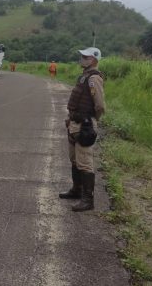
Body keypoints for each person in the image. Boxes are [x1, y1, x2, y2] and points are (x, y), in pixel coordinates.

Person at [59, 47, 105, 211]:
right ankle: (76, 190)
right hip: (74, 122)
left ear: (93, 60)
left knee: (85, 162)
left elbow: (99, 105)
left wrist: (92, 121)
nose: (81, 59)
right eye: (81, 56)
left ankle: (88, 200)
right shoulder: (84, 76)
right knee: (74, 159)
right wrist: (70, 118)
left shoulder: (94, 79)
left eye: (85, 57)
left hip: (84, 124)